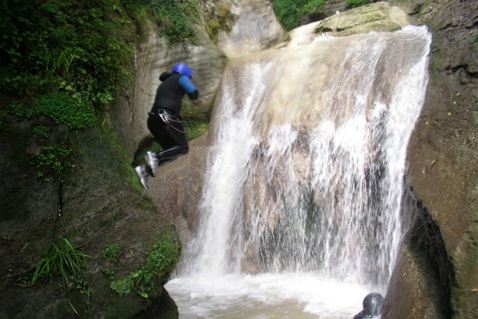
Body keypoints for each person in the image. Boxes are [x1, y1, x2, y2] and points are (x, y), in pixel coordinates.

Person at [135, 63, 199, 189]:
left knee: (171, 151)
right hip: (166, 117)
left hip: (153, 119)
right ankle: (154, 156)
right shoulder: (181, 78)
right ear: (185, 73)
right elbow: (193, 93)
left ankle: (144, 170)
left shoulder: (165, 83)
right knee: (183, 147)